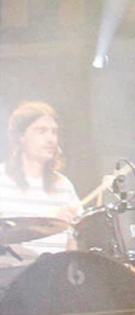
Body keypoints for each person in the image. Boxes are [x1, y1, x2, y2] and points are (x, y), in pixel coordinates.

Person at [0, 101, 81, 270]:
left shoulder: (64, 185)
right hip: (9, 281)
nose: (51, 139)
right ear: (21, 136)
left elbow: (75, 243)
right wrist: (46, 220)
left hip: (54, 279)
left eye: (54, 132)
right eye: (41, 131)